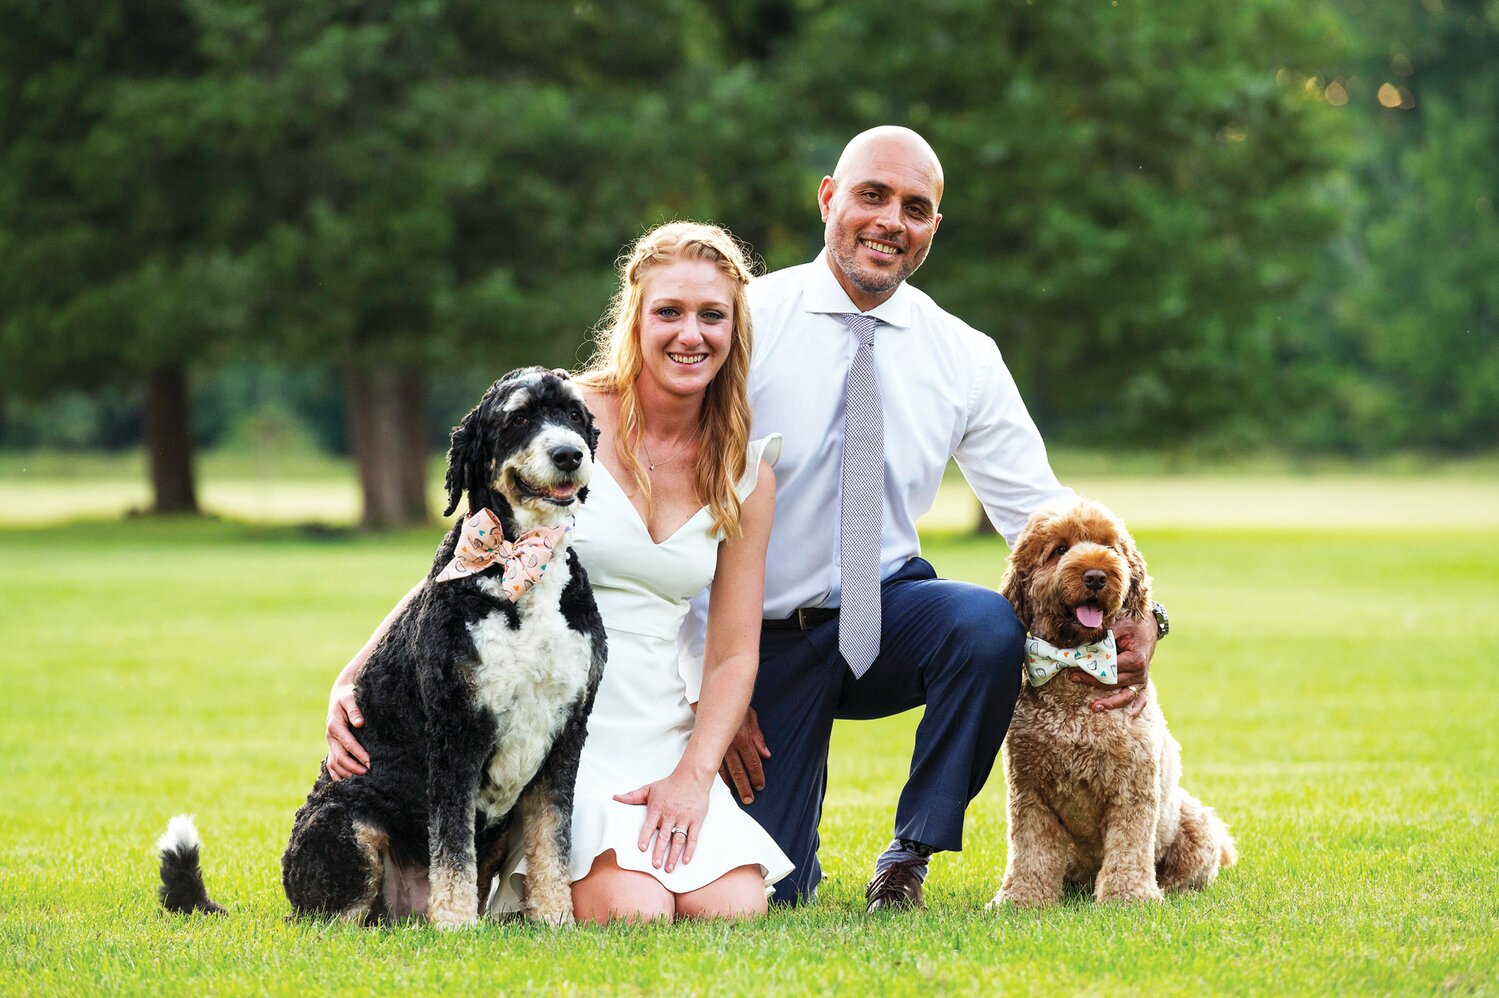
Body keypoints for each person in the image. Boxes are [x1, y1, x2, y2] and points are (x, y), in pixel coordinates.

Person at [683, 125, 1164, 911]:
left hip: (890, 619)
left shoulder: (961, 353)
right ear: (828, 198)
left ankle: (908, 856)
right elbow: (673, 513)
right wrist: (705, 685)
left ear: (932, 228)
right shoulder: (743, 323)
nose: (889, 222)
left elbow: (1040, 512)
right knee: (769, 891)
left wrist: (1147, 612)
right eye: (871, 195)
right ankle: (789, 852)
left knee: (982, 626)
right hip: (757, 637)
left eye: (914, 207)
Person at [325, 221, 792, 924]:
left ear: (735, 328)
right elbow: (464, 564)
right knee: (633, 913)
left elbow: (731, 653)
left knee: (734, 908)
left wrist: (693, 778)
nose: (689, 334)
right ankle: (520, 874)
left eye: (711, 315)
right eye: (668, 311)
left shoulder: (743, 470)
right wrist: (353, 672)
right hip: (546, 722)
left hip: (657, 725)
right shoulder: (553, 421)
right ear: (634, 316)